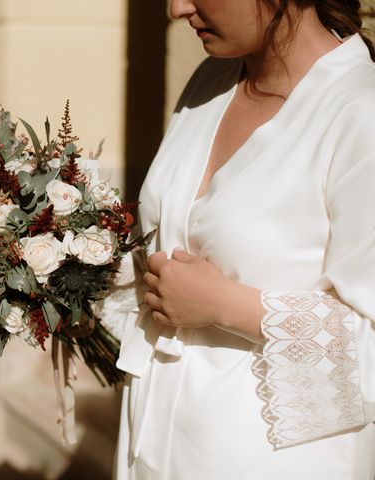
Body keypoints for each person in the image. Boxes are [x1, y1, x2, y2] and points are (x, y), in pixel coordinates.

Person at [109, 0, 375, 478]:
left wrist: (223, 306)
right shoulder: (209, 83)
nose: (176, 9)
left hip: (267, 457)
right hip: (152, 430)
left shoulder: (362, 112)